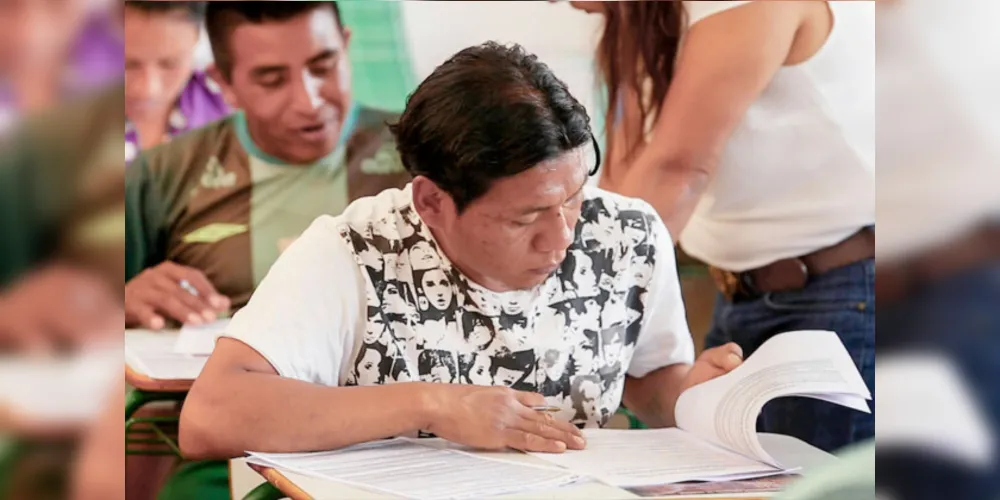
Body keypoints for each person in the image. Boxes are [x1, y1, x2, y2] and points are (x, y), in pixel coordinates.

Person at [179, 41, 745, 478]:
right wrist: (431, 404)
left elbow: (648, 377)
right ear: (432, 202)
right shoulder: (352, 252)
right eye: (526, 218)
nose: (562, 238)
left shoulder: (626, 232)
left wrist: (697, 393)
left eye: (575, 199)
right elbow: (211, 416)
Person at [568, 1, 875, 453]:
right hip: (743, 295)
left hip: (839, 290)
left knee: (814, 482)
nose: (571, 6)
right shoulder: (642, 24)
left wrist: (574, 311)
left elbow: (677, 170)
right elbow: (621, 192)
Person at [124, 1, 411, 331]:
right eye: (273, 81)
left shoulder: (425, 152)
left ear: (345, 46)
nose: (310, 102)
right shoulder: (163, 174)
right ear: (225, 84)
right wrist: (126, 301)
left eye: (324, 67)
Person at [124, 1, 229, 164]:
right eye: (128, 65)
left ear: (197, 40)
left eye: (170, 64)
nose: (148, 90)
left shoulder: (229, 105)